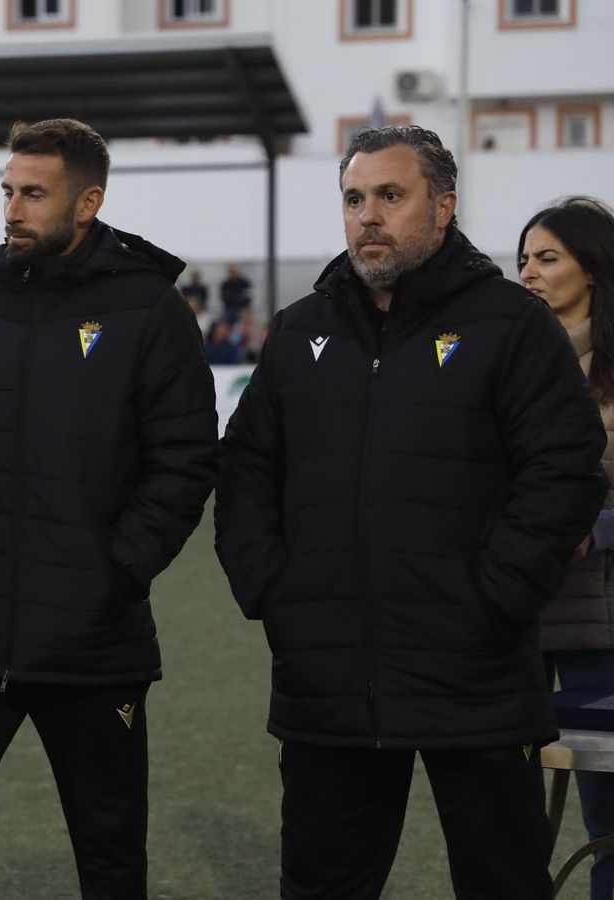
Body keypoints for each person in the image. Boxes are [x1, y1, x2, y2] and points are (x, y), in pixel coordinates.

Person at [214, 126, 606, 900]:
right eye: (354, 199)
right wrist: (275, 589)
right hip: (327, 683)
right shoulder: (300, 331)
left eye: (390, 196)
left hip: (478, 676)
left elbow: (564, 472)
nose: (368, 216)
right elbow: (245, 469)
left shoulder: (510, 324)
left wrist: (493, 597)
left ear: (443, 207)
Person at [0, 117, 218, 899]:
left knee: (110, 853)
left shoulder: (148, 307)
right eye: (8, 190)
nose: (12, 208)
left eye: (33, 194)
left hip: (93, 641)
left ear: (87, 204)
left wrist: (114, 571)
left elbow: (184, 462)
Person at [520, 195, 614, 900]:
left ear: (595, 267)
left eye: (547, 258)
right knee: (501, 809)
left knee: (605, 816)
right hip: (510, 607)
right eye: (523, 259)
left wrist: (589, 529)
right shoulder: (506, 360)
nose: (528, 272)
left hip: (598, 616)